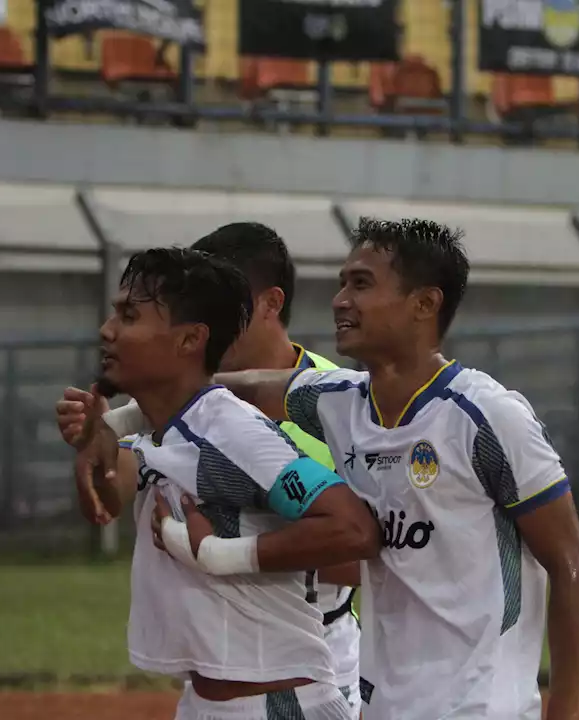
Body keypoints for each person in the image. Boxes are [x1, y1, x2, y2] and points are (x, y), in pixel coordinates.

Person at [86, 218, 579, 720]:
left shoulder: (487, 416)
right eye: (341, 283)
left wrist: (565, 713)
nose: (340, 300)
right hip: (384, 703)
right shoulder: (341, 401)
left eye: (361, 284)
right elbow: (232, 389)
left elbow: (573, 566)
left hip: (481, 705)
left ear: (424, 303)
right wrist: (113, 421)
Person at [58, 223, 364, 717]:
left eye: (131, 314)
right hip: (213, 686)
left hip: (299, 671)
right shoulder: (178, 412)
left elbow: (361, 540)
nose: (108, 329)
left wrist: (214, 550)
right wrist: (100, 434)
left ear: (269, 303)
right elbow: (112, 494)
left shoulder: (330, 403)